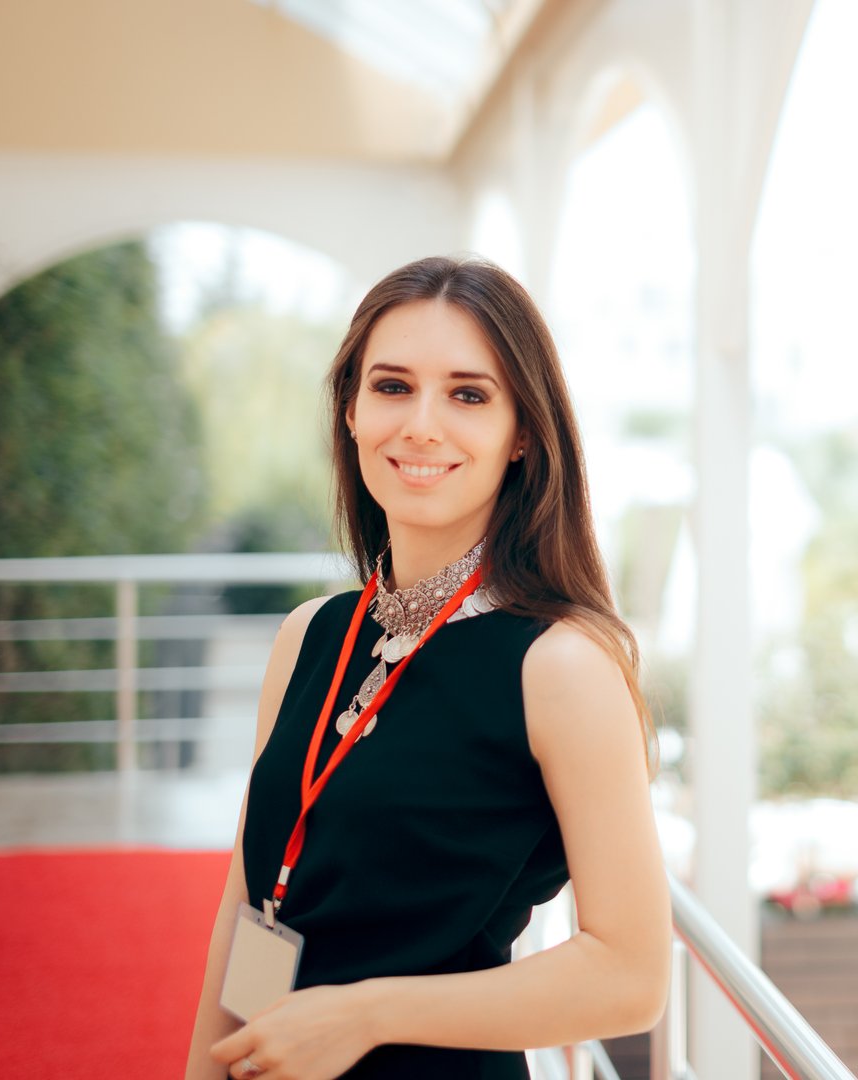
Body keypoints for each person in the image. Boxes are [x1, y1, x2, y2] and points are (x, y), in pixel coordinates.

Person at [185, 256, 671, 1079]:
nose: (421, 425)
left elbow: (632, 978)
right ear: (350, 410)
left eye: (469, 394)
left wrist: (364, 1016)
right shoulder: (309, 635)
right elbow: (252, 906)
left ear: (522, 432)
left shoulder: (560, 667)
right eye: (393, 386)